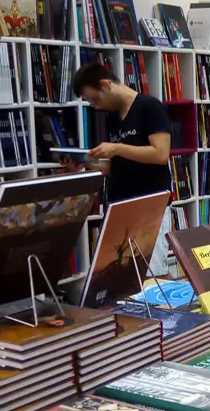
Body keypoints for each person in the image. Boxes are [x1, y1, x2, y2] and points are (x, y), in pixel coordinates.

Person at [69, 62, 173, 275]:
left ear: (106, 85)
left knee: (153, 275)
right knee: (123, 278)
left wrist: (116, 148)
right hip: (121, 208)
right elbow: (118, 164)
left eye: (95, 99)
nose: (96, 106)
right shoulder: (113, 119)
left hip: (150, 207)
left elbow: (161, 154)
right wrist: (86, 163)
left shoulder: (149, 107)